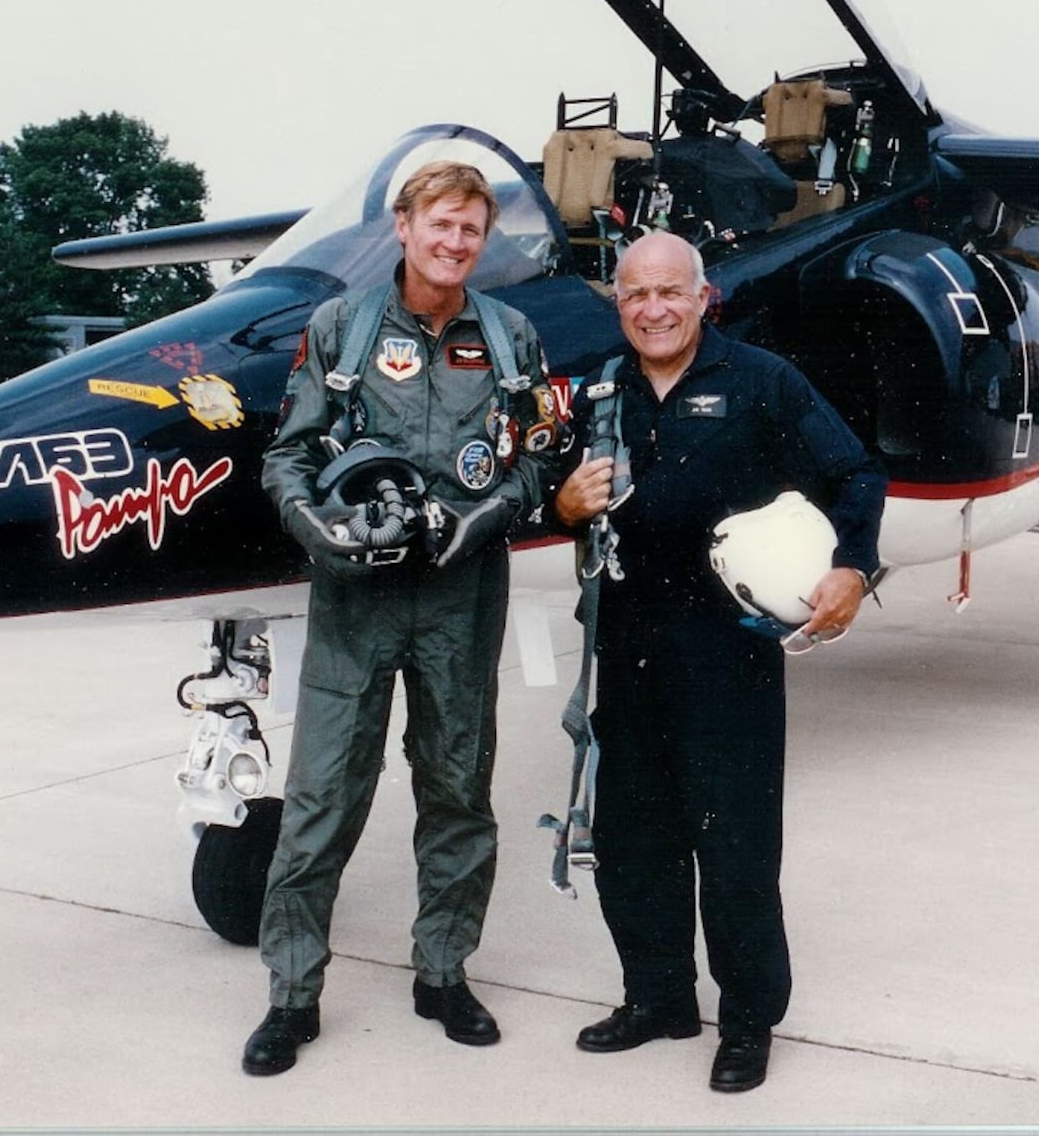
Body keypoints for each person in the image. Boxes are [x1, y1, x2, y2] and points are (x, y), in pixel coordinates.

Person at [243, 161, 561, 1076]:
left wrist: (486, 512)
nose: (456, 242)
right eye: (441, 225)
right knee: (322, 799)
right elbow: (289, 457)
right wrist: (314, 524)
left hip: (461, 598)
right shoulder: (340, 330)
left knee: (458, 791)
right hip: (355, 600)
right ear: (404, 224)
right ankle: (292, 995)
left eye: (471, 229)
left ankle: (443, 972)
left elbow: (537, 461)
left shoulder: (511, 338)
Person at [552, 230, 885, 1093]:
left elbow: (856, 473)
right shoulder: (601, 389)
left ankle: (746, 1021)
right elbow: (559, 498)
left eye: (670, 292)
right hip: (625, 643)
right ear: (616, 303)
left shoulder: (762, 381)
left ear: (703, 299)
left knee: (732, 842)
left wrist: (852, 565)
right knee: (632, 836)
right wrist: (563, 502)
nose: (653, 309)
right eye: (634, 295)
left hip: (727, 652)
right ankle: (658, 997)